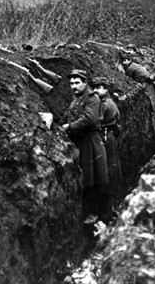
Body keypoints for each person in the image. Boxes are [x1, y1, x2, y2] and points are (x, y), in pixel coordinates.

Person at [61, 69, 109, 223]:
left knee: (93, 178)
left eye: (76, 83)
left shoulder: (91, 98)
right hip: (81, 141)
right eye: (71, 83)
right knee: (86, 178)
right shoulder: (76, 99)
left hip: (91, 142)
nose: (73, 86)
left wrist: (68, 127)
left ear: (84, 83)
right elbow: (68, 115)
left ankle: (95, 213)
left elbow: (89, 119)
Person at [92, 76, 123, 222]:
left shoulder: (104, 105)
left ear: (106, 89)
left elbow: (93, 121)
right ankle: (111, 208)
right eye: (94, 87)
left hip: (105, 138)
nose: (95, 90)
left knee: (106, 172)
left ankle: (106, 213)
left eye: (99, 87)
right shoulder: (111, 101)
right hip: (110, 136)